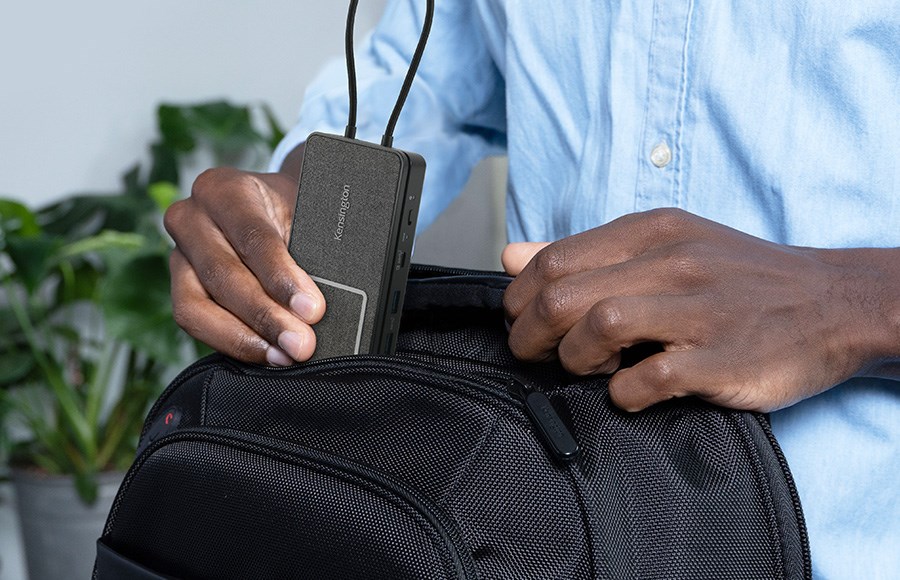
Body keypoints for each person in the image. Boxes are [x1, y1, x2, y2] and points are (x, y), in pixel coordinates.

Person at [163, 1, 899, 577]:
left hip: (850, 533)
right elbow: (431, 71)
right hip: (543, 524)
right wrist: (305, 195)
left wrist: (854, 302)